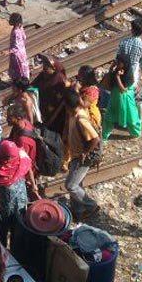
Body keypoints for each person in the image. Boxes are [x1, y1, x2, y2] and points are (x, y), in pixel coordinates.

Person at [0, 139, 32, 245]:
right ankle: (1, 249)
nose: (8, 160)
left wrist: (34, 186)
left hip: (18, 200)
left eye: (11, 157)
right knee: (0, 226)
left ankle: (14, 249)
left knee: (17, 226)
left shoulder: (21, 156)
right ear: (0, 154)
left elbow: (29, 168)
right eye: (6, 157)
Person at [63, 88, 102, 222]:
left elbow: (95, 138)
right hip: (76, 155)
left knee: (71, 186)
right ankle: (78, 212)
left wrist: (85, 153)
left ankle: (92, 206)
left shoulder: (80, 118)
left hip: (82, 157)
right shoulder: (74, 115)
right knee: (77, 184)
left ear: (67, 105)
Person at [102, 56, 142, 141]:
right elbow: (105, 85)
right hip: (115, 99)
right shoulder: (115, 72)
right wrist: (111, 70)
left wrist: (117, 77)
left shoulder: (129, 75)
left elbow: (123, 89)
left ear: (125, 64)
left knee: (131, 118)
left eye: (119, 62)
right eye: (117, 62)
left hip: (126, 100)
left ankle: (135, 134)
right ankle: (104, 136)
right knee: (109, 118)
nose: (117, 64)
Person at [33, 56, 68, 137]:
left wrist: (54, 114)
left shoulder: (59, 79)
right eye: (44, 66)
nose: (44, 69)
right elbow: (33, 85)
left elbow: (62, 99)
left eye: (47, 67)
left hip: (57, 111)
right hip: (44, 109)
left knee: (56, 131)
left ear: (54, 69)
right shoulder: (43, 75)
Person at [118, 18, 142, 95]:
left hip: (121, 72)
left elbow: (117, 58)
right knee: (130, 95)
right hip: (133, 74)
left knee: (121, 94)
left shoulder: (123, 42)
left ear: (132, 30)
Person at [8, 12, 29, 83]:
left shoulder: (15, 32)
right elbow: (24, 38)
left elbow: (16, 47)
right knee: (23, 68)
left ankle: (19, 82)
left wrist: (8, 51)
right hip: (22, 52)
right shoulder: (21, 28)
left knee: (18, 69)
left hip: (17, 55)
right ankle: (23, 80)